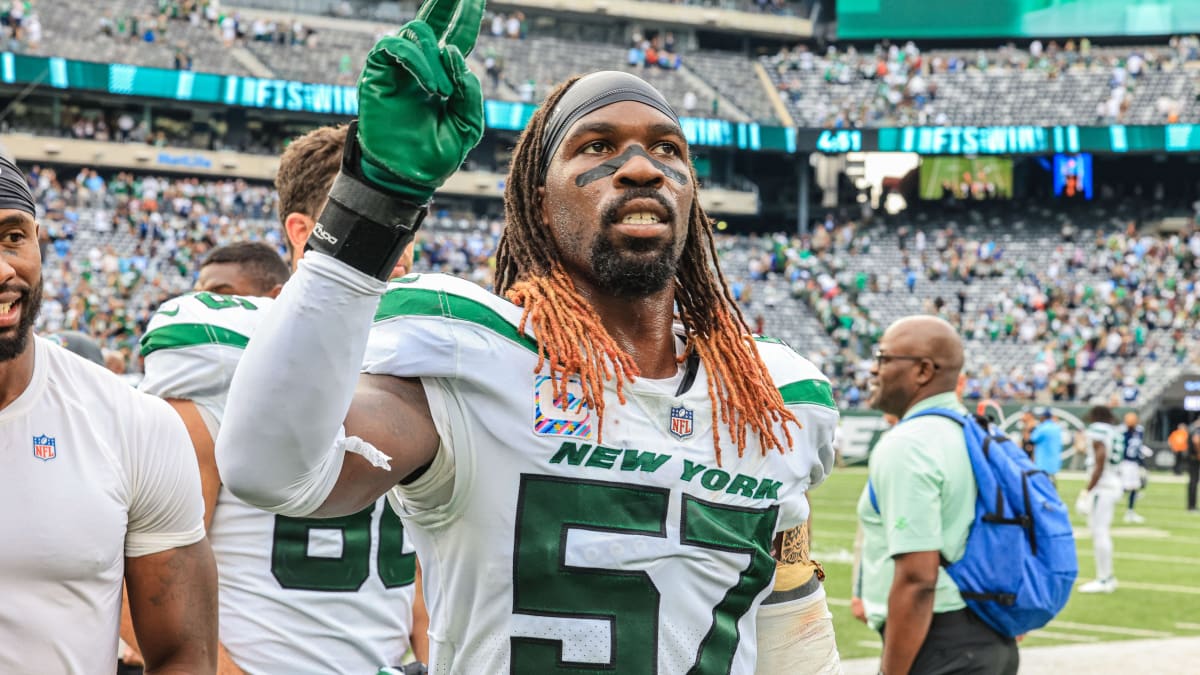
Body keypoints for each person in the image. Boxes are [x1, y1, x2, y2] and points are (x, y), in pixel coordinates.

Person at [216, 1, 837, 670]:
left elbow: (789, 620)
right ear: (539, 201)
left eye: (667, 149)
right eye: (597, 146)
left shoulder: (777, 398)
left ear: (690, 194)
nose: (640, 167)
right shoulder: (474, 360)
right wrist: (374, 200)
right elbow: (268, 470)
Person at [138, 130, 428, 674]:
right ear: (303, 232)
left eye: (406, 225)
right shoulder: (228, 351)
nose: (402, 248)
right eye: (377, 224)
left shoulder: (417, 351)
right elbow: (150, 565)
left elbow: (418, 568)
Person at [0, 154, 217, 672]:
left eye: (13, 238)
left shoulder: (132, 424)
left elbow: (183, 655)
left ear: (39, 241)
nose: (5, 268)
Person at [857, 315, 1018, 675]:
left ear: (923, 371)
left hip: (938, 639)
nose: (874, 370)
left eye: (883, 358)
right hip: (992, 635)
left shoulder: (910, 443)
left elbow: (918, 579)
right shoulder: (980, 432)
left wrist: (891, 672)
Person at [1077, 405, 1125, 593]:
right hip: (1112, 481)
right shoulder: (1114, 431)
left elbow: (1100, 459)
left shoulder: (1097, 431)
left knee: (1099, 532)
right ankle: (1107, 577)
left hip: (1103, 485)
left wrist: (1087, 491)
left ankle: (1104, 578)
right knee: (1101, 531)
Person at [1119, 411, 1149, 523]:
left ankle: (1130, 512)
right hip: (1124, 462)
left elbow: (1138, 446)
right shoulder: (1122, 431)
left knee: (1134, 487)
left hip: (1134, 463)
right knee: (1122, 487)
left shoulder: (1139, 431)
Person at [1030, 407, 1064, 485]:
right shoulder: (1056, 427)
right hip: (1054, 461)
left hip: (1043, 462)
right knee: (1052, 483)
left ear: (1043, 417)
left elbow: (1033, 438)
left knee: (1043, 485)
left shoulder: (1042, 428)